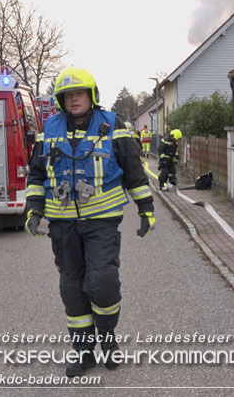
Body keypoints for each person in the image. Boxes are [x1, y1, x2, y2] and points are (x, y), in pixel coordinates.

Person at [24, 66, 155, 377]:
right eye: (68, 95)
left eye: (79, 93)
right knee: (72, 289)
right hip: (63, 225)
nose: (74, 99)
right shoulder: (49, 128)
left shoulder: (113, 125)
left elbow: (133, 171)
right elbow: (37, 174)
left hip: (102, 222)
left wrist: (145, 208)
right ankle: (83, 353)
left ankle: (108, 342)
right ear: (61, 100)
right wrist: (34, 210)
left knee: (102, 282)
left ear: (92, 95)